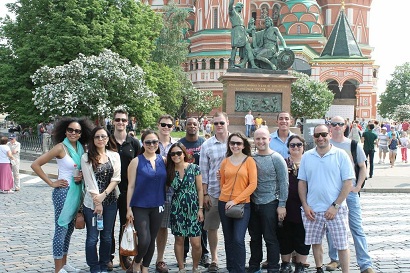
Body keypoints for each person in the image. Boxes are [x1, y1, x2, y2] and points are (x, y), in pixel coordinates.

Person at [31, 117, 94, 273]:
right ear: (65, 131)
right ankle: (58, 269)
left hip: (76, 192)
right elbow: (35, 164)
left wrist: (80, 177)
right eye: (70, 130)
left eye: (77, 131)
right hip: (63, 193)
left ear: (81, 133)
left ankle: (64, 264)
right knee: (61, 229)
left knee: (68, 230)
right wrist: (52, 183)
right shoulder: (60, 148)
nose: (73, 133)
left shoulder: (81, 147)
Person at [298, 124, 354, 273]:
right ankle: (319, 269)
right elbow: (302, 182)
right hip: (313, 209)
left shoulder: (341, 155)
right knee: (315, 242)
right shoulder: (307, 156)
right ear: (313, 137)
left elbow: (348, 183)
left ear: (329, 134)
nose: (320, 138)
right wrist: (305, 205)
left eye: (323, 134)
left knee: (342, 244)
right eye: (317, 135)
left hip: (336, 209)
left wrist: (335, 206)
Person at [326, 116, 375, 273]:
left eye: (340, 124)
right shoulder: (326, 144)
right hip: (331, 192)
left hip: (350, 192)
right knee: (332, 227)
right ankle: (334, 259)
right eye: (334, 124)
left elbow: (362, 166)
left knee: (356, 227)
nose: (337, 126)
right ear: (330, 126)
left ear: (345, 126)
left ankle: (365, 264)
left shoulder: (353, 144)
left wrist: (358, 186)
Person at [247, 128, 289, 273]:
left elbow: (284, 182)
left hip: (270, 203)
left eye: (263, 138)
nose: (261, 141)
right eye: (258, 139)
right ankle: (254, 266)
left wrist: (282, 204)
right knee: (255, 238)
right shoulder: (251, 158)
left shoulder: (276, 158)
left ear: (269, 140)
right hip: (253, 203)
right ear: (254, 141)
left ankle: (273, 267)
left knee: (270, 238)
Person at [126, 130, 167, 273]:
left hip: (158, 205)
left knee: (152, 238)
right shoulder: (136, 161)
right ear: (143, 143)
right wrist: (128, 208)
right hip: (140, 205)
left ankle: (145, 267)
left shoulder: (163, 160)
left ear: (158, 143)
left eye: (155, 142)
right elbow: (130, 186)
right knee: (144, 239)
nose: (152, 144)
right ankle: (137, 262)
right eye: (148, 142)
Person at [81, 126, 121, 273]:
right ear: (93, 139)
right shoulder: (86, 157)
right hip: (92, 203)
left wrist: (103, 196)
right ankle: (94, 266)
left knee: (106, 236)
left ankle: (104, 264)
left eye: (103, 136)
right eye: (97, 137)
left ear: (107, 138)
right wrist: (97, 202)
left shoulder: (114, 156)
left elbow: (116, 179)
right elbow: (89, 182)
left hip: (110, 201)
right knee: (92, 237)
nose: (100, 139)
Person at [219, 132, 257, 273]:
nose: (235, 146)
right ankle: (231, 269)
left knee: (238, 239)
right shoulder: (225, 161)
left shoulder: (249, 161)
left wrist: (235, 200)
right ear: (229, 145)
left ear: (243, 145)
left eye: (238, 143)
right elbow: (223, 183)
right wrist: (228, 199)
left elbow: (252, 184)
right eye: (232, 143)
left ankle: (240, 269)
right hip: (224, 203)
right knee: (228, 240)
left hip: (242, 205)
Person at [109, 109, 142, 271]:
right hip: (109, 190)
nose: (120, 122)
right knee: (108, 226)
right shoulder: (107, 141)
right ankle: (108, 257)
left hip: (128, 191)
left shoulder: (134, 143)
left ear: (127, 122)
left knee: (126, 225)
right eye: (118, 119)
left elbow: (140, 165)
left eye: (123, 120)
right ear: (113, 121)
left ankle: (125, 257)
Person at [199, 112, 230, 273]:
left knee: (232, 229)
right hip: (213, 192)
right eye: (216, 123)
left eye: (221, 123)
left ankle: (232, 258)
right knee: (212, 228)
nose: (219, 126)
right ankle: (214, 259)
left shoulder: (237, 141)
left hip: (233, 195)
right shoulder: (207, 145)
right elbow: (203, 172)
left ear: (227, 123)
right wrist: (204, 194)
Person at [166, 143, 204, 273]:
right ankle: (181, 268)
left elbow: (199, 190)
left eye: (178, 153)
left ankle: (195, 267)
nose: (176, 156)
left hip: (193, 209)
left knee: (196, 242)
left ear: (184, 154)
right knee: (179, 240)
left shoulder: (194, 168)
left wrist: (200, 209)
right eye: (172, 154)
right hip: (177, 210)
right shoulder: (169, 171)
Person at [178, 118, 210, 267]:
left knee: (201, 225)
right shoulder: (180, 143)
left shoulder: (204, 143)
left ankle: (204, 254)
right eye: (189, 124)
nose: (192, 126)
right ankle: (183, 255)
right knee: (183, 226)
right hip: (183, 190)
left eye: (194, 124)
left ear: (199, 126)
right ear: (185, 126)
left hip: (200, 188)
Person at [277, 135, 310, 273]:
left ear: (303, 147)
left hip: (305, 205)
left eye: (298, 145)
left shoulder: (309, 163)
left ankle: (300, 264)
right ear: (288, 148)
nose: (295, 147)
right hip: (287, 204)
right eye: (292, 145)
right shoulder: (283, 162)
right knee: (285, 234)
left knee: (303, 235)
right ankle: (285, 263)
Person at [156, 114, 177, 273]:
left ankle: (160, 259)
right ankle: (141, 258)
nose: (166, 128)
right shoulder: (150, 142)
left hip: (170, 191)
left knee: (163, 227)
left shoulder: (176, 146)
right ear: (158, 125)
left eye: (169, 125)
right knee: (146, 227)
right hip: (150, 191)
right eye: (163, 124)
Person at [228, 0, 257, 69]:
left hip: (243, 33)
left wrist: (250, 30)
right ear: (239, 7)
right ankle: (232, 63)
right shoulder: (233, 13)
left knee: (248, 48)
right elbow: (230, 6)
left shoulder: (240, 17)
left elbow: (243, 27)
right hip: (236, 32)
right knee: (234, 48)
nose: (242, 9)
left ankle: (253, 64)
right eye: (242, 7)